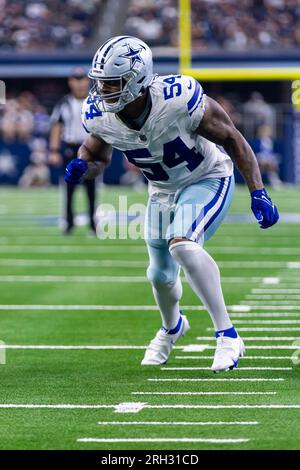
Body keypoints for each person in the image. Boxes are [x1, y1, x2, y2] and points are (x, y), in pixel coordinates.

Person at [64, 36, 279, 372]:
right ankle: (172, 327)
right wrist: (83, 165)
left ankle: (228, 335)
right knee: (160, 275)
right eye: (100, 83)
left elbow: (232, 137)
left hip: (206, 177)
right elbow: (96, 156)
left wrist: (258, 191)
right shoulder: (99, 115)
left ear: (136, 79)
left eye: (111, 83)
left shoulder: (178, 98)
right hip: (161, 189)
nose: (102, 91)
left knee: (183, 245)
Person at [49, 67, 97, 234]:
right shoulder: (64, 103)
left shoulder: (95, 101)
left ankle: (93, 223)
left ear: (88, 81)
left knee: (92, 188)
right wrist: (54, 150)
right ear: (70, 82)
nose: (79, 84)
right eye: (75, 80)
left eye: (82, 79)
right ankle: (69, 222)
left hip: (90, 148)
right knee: (69, 188)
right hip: (70, 148)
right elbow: (56, 126)